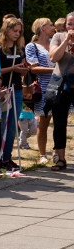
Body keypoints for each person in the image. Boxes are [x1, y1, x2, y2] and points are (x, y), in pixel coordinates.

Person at [0, 16, 28, 170]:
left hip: (17, 89)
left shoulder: (19, 47)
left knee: (13, 126)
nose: (17, 34)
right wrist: (13, 69)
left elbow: (22, 65)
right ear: (6, 29)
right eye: (14, 31)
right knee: (1, 125)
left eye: (19, 32)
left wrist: (24, 69)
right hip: (2, 90)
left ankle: (7, 157)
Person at [27, 18, 56, 165]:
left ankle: (58, 153)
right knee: (44, 123)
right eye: (51, 25)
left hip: (60, 86)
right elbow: (33, 68)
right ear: (43, 27)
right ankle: (43, 154)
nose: (53, 27)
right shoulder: (32, 46)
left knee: (60, 122)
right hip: (44, 87)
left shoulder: (55, 43)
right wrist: (55, 70)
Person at [47, 30, 74, 170]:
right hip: (62, 85)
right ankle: (60, 159)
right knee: (59, 122)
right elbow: (53, 58)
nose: (72, 27)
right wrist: (66, 42)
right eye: (69, 23)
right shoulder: (58, 37)